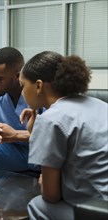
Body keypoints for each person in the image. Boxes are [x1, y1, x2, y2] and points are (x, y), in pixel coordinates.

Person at [18, 51, 108, 219]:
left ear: (38, 86)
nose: (22, 92)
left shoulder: (51, 119)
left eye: (22, 85)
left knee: (38, 205)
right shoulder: (101, 105)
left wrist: (43, 182)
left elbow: (51, 195)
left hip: (99, 208)